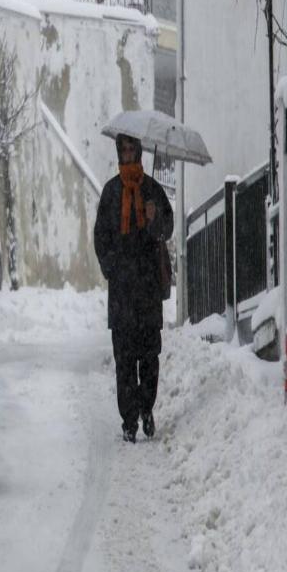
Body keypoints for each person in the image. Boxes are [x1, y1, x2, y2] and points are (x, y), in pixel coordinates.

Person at [94, 133, 173, 443]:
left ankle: (146, 408)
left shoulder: (153, 191)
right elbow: (100, 237)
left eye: (132, 149)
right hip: (123, 293)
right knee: (125, 360)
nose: (128, 153)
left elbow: (166, 229)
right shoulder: (111, 192)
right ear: (119, 152)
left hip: (148, 289)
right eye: (123, 149)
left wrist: (154, 220)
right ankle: (129, 419)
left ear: (139, 152)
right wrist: (112, 266)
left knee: (150, 356)